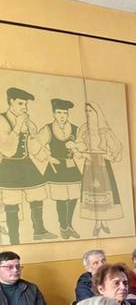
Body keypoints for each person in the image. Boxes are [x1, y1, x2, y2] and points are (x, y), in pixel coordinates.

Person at [0, 87, 54, 244]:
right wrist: (17, 126)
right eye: (20, 103)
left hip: (26, 163)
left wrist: (43, 153)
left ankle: (39, 231)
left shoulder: (27, 122)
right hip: (9, 166)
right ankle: (14, 239)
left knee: (37, 195)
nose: (24, 107)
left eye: (26, 104)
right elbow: (7, 149)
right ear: (10, 102)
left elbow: (33, 147)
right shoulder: (2, 120)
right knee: (12, 202)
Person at [36, 97, 84, 239]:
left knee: (74, 197)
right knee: (61, 198)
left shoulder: (75, 129)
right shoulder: (48, 129)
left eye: (64, 113)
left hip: (71, 166)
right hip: (57, 167)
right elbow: (35, 145)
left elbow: (81, 147)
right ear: (54, 114)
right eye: (59, 113)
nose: (62, 116)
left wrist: (76, 148)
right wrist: (48, 157)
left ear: (67, 114)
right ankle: (63, 226)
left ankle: (69, 225)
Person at [78, 101, 123, 237]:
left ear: (97, 113)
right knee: (91, 192)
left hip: (102, 164)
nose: (88, 114)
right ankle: (97, 222)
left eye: (90, 111)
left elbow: (116, 147)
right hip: (89, 164)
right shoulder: (83, 129)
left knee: (105, 191)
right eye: (86, 111)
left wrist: (108, 155)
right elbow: (79, 143)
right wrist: (81, 151)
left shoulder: (104, 131)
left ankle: (104, 222)